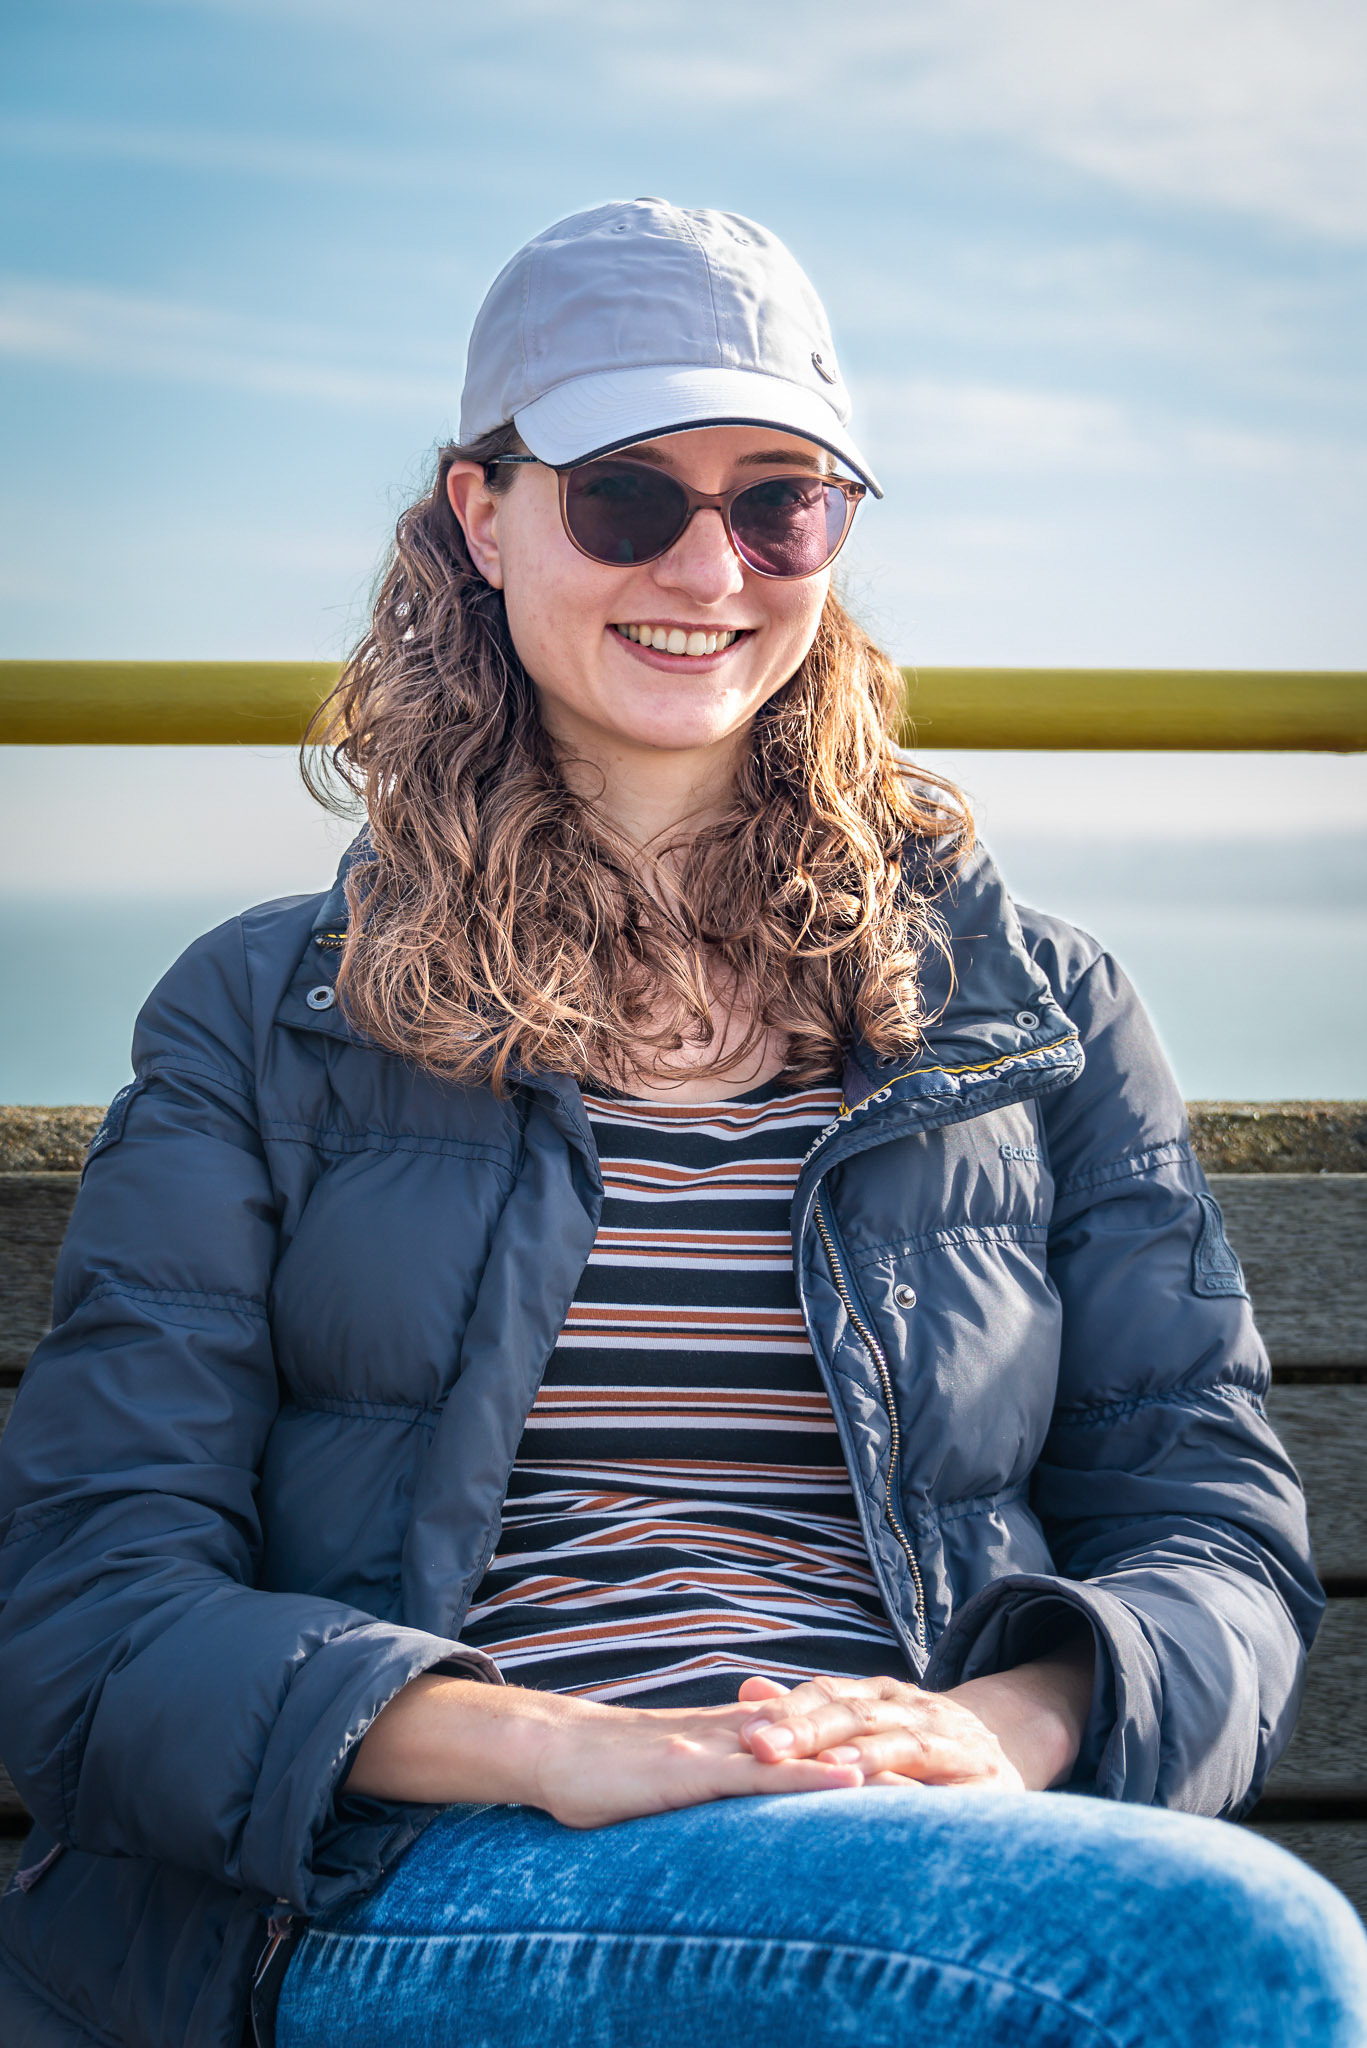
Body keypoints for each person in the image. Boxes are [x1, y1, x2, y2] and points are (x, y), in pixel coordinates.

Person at [0, 199, 1363, 2048]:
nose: (709, 565)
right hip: (413, 1874)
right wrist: (559, 1750)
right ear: (483, 516)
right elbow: (95, 1616)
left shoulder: (1032, 1005)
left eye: (779, 499)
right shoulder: (264, 1016)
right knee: (1222, 1966)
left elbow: (1211, 1534)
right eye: (628, 495)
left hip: (921, 1861)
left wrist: (1001, 1726)